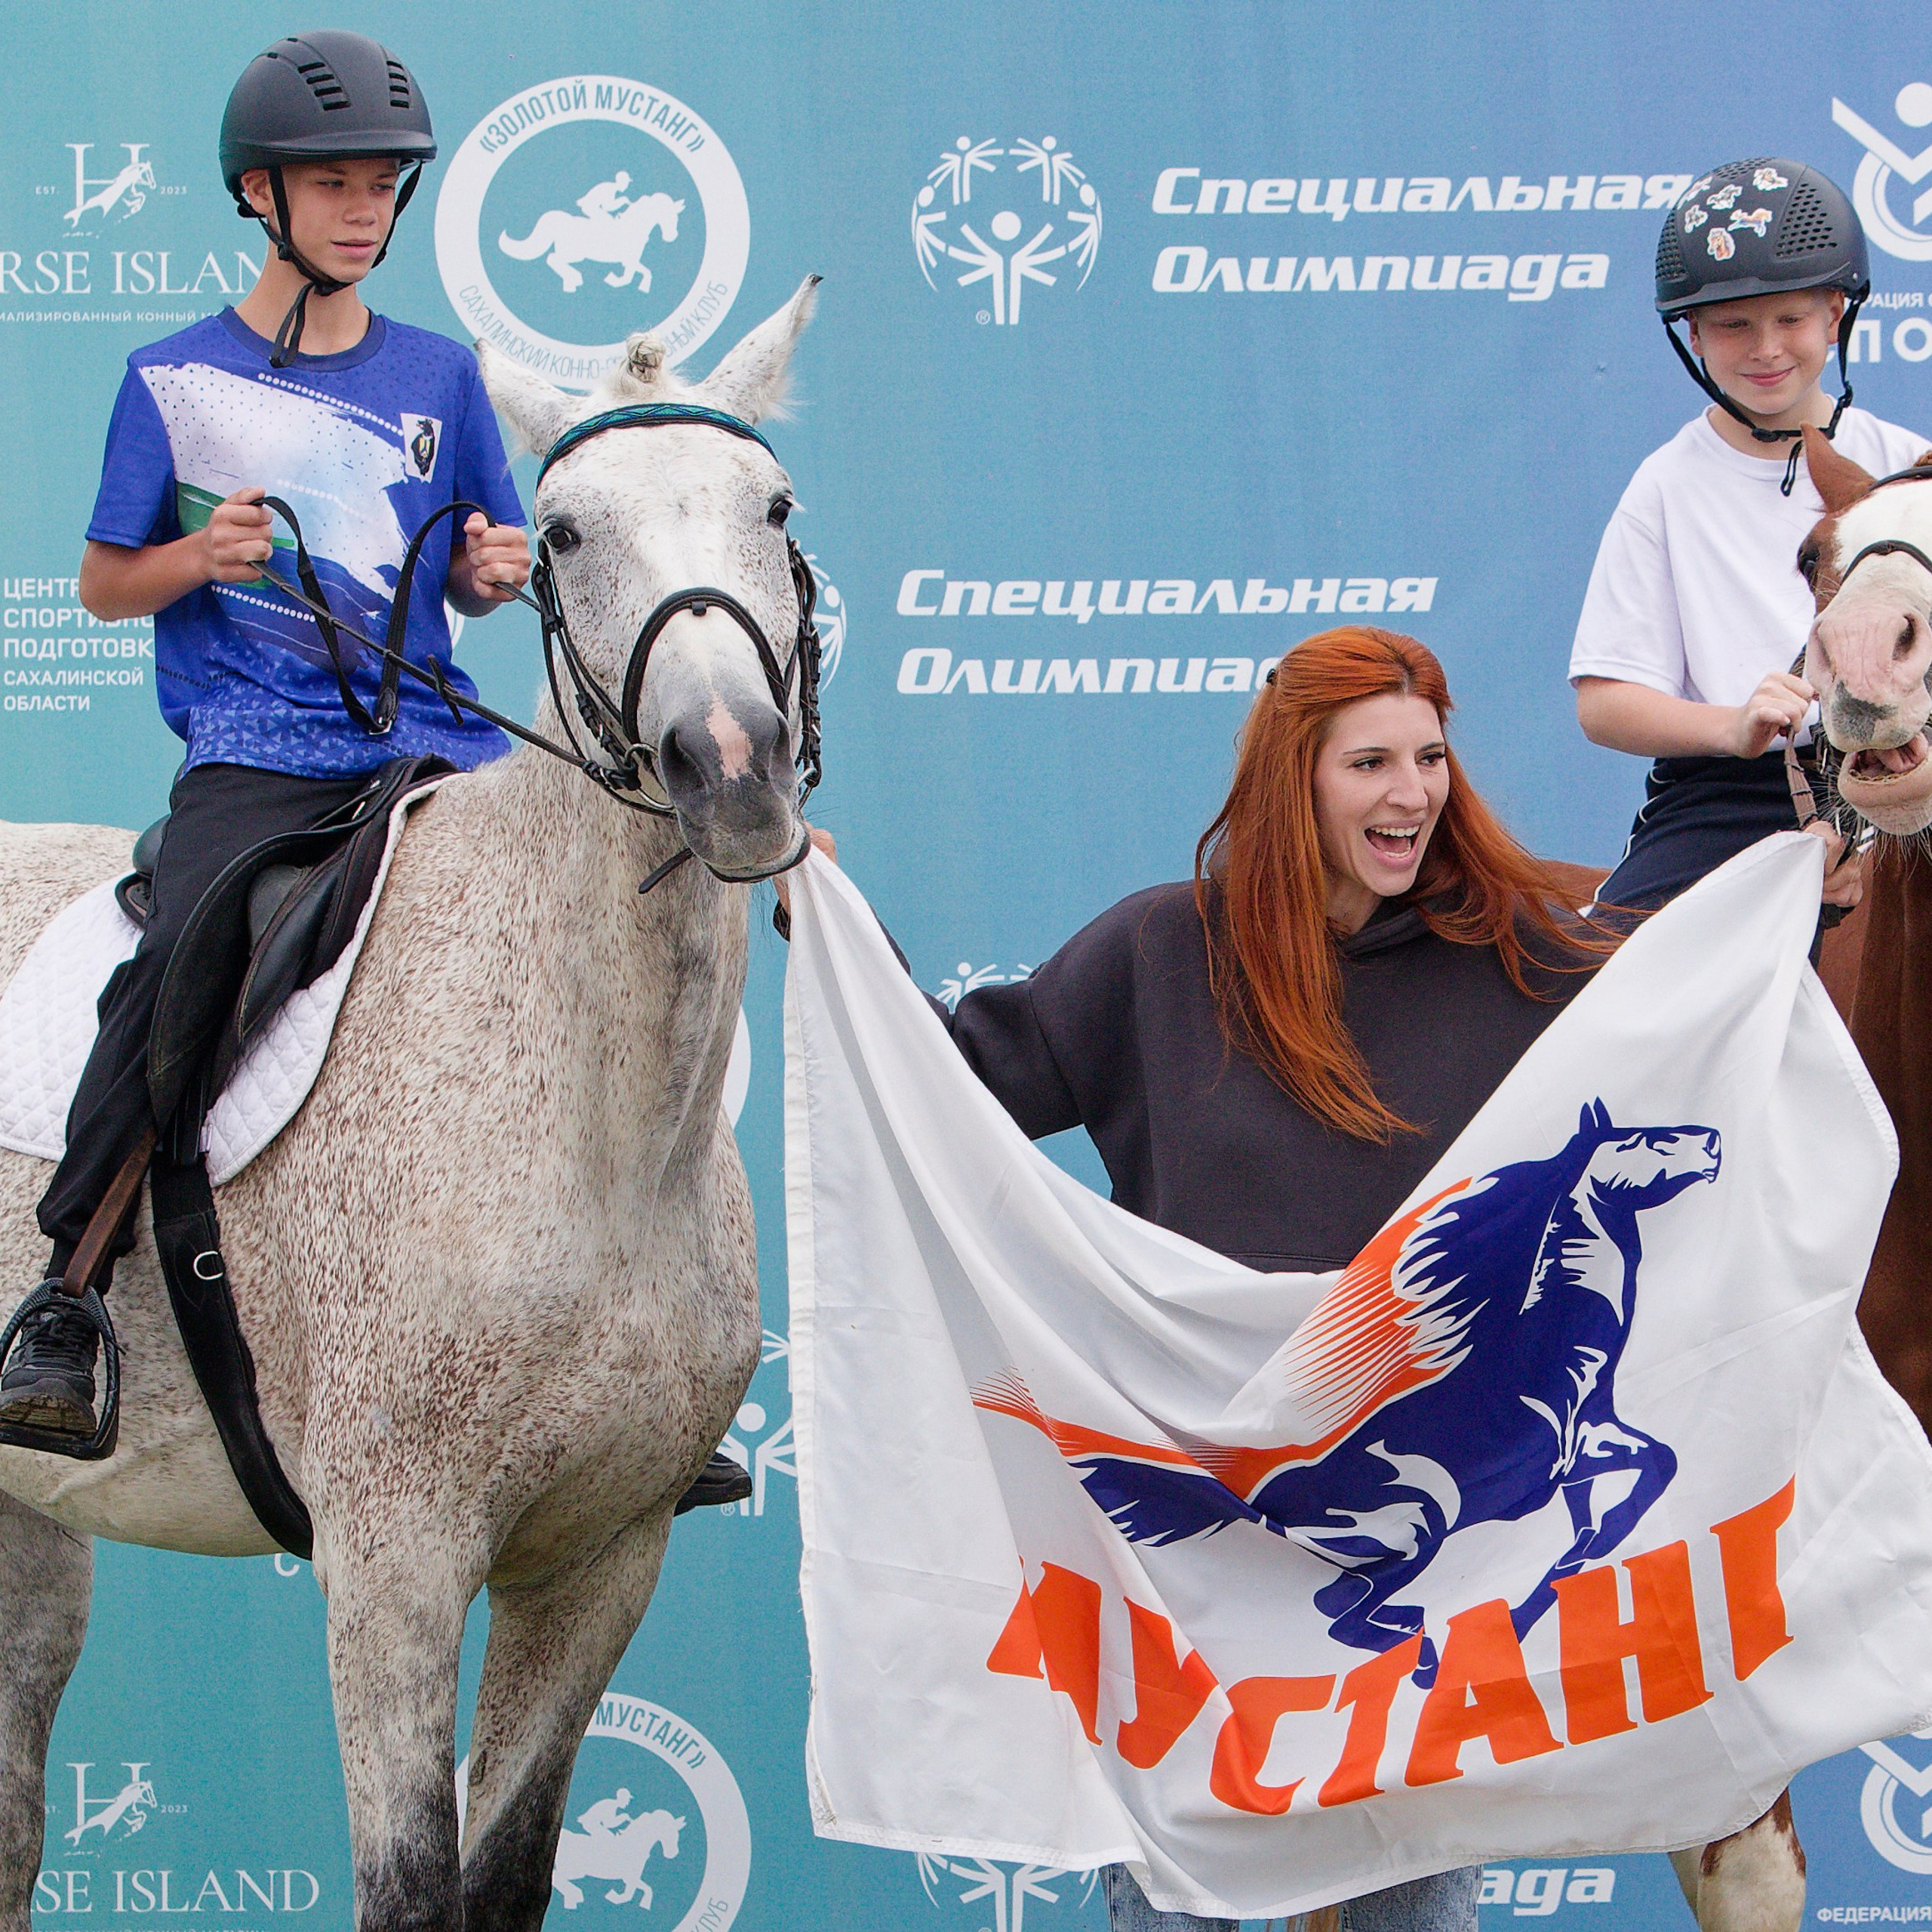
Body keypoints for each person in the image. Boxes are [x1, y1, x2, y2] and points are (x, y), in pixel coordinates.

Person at [0, 31, 534, 1451]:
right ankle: (65, 1294)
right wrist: (200, 556)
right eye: (333, 184)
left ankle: (621, 1340)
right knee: (181, 953)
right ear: (258, 194)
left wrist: (489, 570)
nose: (365, 211)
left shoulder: (442, 374)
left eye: (383, 185)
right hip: (256, 744)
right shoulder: (171, 379)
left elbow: (480, 553)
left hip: (433, 741)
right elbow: (104, 585)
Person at [1571, 155, 1918, 913]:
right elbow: (1604, 701)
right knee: (1606, 973)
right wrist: (1732, 726)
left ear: (1834, 315)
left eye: (1790, 319)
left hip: (1908, 765)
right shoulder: (1666, 485)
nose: (1766, 348)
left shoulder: (1906, 463)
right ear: (1694, 334)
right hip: (1733, 794)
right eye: (1734, 324)